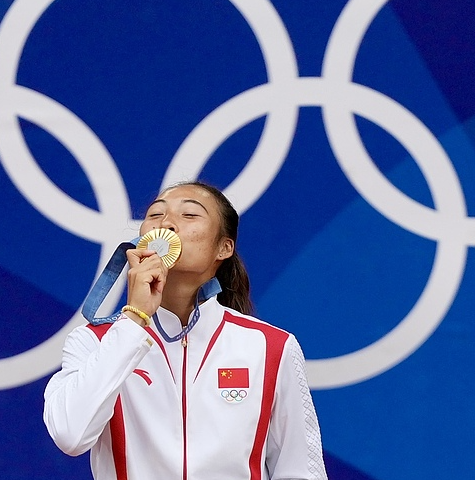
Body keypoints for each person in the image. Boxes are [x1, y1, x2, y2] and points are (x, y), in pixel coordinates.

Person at [43, 181, 328, 480]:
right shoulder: (95, 341)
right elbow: (70, 435)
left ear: (224, 247)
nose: (166, 223)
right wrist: (134, 320)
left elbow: (301, 471)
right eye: (155, 215)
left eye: (190, 215)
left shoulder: (271, 347)